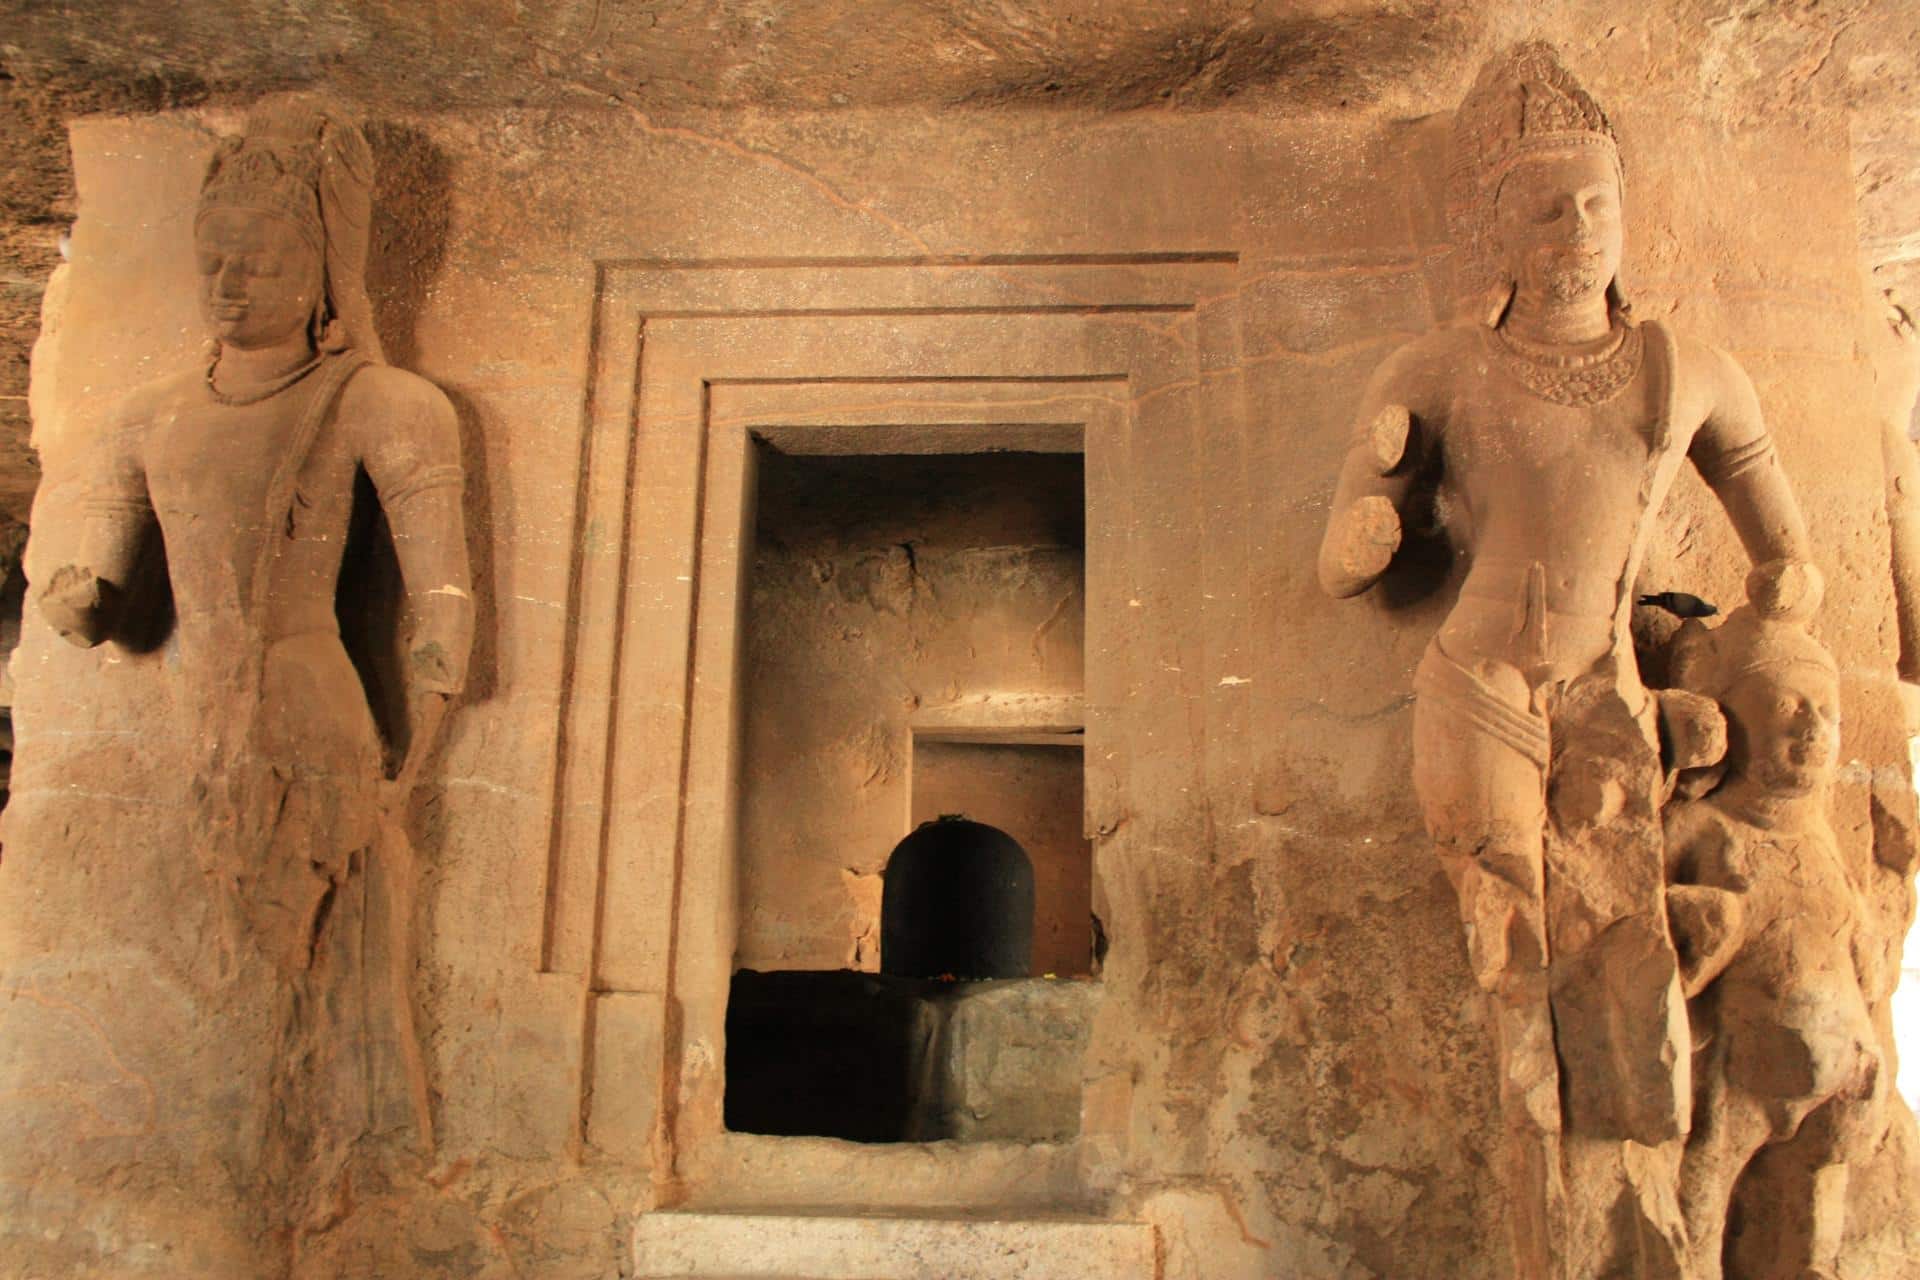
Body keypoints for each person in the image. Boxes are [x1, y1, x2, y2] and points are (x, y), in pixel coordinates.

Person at [1317, 43, 1815, 1277]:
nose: (1577, 226)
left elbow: (1756, 477)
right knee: (1513, 963)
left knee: (1631, 970)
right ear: (1497, 222)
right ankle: (1545, 1220)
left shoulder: (1677, 366)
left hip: (1607, 695)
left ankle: (1634, 1231)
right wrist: (1371, 534)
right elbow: (1340, 555)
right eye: (1545, 204)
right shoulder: (1437, 368)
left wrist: (1788, 572)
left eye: (1597, 200)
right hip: (1478, 685)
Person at [36, 102, 472, 1222]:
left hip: (309, 710)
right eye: (216, 260)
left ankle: (331, 1186)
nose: (232, 283)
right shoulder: (147, 419)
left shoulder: (386, 403)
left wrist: (420, 735)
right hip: (199, 724)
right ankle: (222, 1182)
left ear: (323, 268)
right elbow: (98, 597)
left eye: (265, 260)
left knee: (318, 970)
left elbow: (442, 603)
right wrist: (73, 595)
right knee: (218, 971)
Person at [1665, 590, 1882, 1280]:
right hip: (1735, 1074)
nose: (1815, 728)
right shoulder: (1706, 830)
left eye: (1827, 711)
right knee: (1698, 1215)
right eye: (1790, 706)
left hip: (1840, 1077)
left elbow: (1860, 955)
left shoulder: (1819, 841)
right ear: (1732, 720)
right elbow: (1644, 934)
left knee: (1809, 1244)